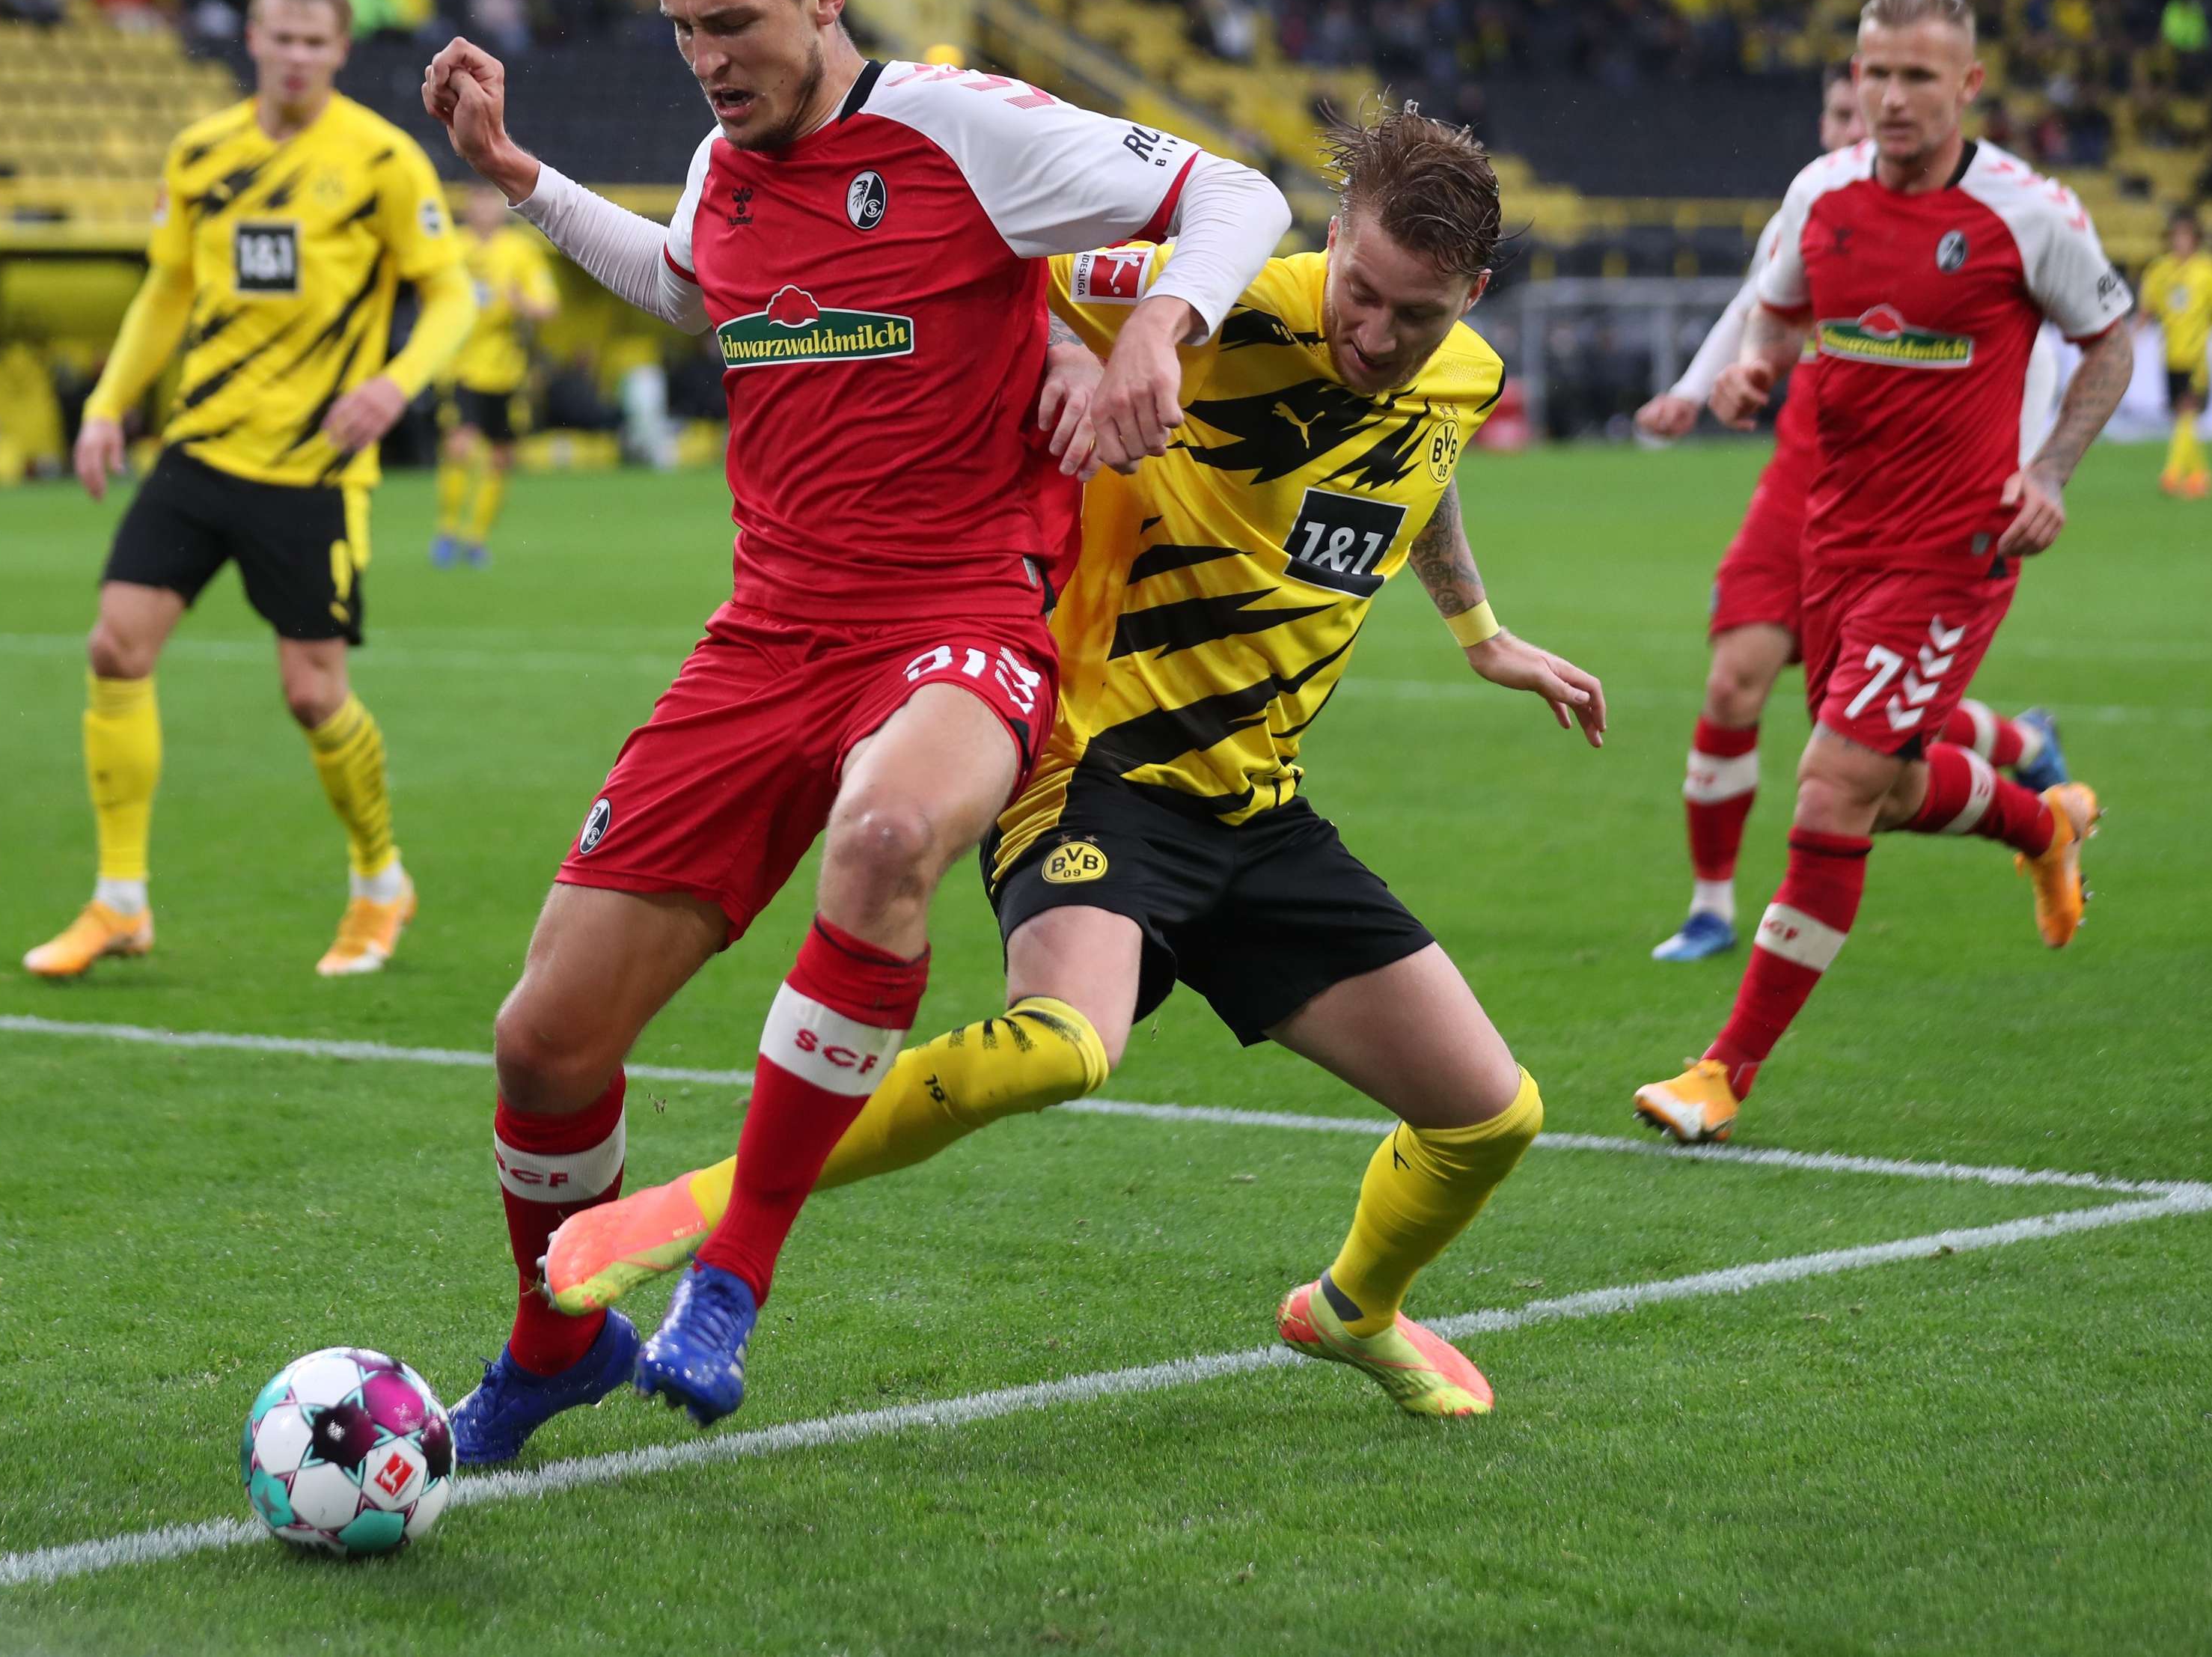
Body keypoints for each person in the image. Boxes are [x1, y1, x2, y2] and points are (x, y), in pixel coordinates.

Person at [421, 0, 1289, 1456]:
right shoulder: (718, 161)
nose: (707, 62)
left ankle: (731, 1279)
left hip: (959, 609)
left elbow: (1239, 193)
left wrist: (1160, 324)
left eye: (735, 25)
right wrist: (521, 178)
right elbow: (691, 292)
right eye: (683, 31)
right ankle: (553, 1347)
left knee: (888, 834)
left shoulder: (961, 129)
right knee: (543, 1039)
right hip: (765, 633)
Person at [544, 108, 1601, 1420]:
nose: (1377, 338)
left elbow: (1427, 464)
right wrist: (1055, 348)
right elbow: (996, 269)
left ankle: (1350, 1311)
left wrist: (1479, 632)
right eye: (1362, 296)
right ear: (1331, 242)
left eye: (1418, 317)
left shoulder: (1462, 374)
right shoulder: (1213, 305)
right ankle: (696, 1210)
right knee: (1064, 1046)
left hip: (1259, 812)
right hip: (1093, 767)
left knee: (1491, 1116)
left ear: (1472, 299)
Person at [1634, 0, 2132, 1146]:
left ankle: (1723, 1070)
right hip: (1833, 539)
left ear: (1968, 86)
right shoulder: (1822, 192)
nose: (1892, 97)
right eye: (1875, 73)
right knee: (1886, 784)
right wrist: (1755, 366)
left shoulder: (2026, 212)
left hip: (1954, 548)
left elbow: (2109, 342)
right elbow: (1778, 307)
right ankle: (2041, 823)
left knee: (1830, 785)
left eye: (1918, 76)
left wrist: (2050, 471)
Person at [22, 0, 474, 983]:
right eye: (283, 38)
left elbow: (452, 297)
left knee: (314, 695)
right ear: (254, 41)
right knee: (115, 647)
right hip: (201, 450)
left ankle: (378, 881)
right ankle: (119, 898)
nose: (300, 57)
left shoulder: (381, 161)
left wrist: (394, 387)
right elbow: (165, 292)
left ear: (340, 51)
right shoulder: (200, 154)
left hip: (313, 469)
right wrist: (105, 404)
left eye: (319, 43)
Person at [1634, 65, 2068, 963]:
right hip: (1803, 479)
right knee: (1733, 681)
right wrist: (1688, 391)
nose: (1849, 126)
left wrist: (2030, 469)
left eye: (1858, 110)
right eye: (1837, 109)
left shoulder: (1969, 218)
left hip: (1914, 499)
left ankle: (2026, 761)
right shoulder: (1811, 205)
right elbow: (1754, 304)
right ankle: (1712, 906)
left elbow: (2028, 350)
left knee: (1859, 735)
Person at [432, 184, 561, 567]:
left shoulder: (519, 250)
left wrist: (523, 304)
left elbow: (548, 307)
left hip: (506, 372)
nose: (485, 209)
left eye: (492, 201)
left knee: (501, 457)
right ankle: (447, 530)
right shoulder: (451, 247)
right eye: (479, 201)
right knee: (460, 446)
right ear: (468, 207)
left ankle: (476, 539)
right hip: (462, 368)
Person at [2137, 207, 2212, 500]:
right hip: (2171, 355)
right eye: (2176, 236)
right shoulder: (2159, 270)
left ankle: (2173, 472)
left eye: (2186, 236)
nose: (2180, 242)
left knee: (2188, 411)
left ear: (2196, 239)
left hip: (2197, 356)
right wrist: (2130, 338)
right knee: (2182, 417)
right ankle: (2200, 475)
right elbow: (2146, 312)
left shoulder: (2210, 270)